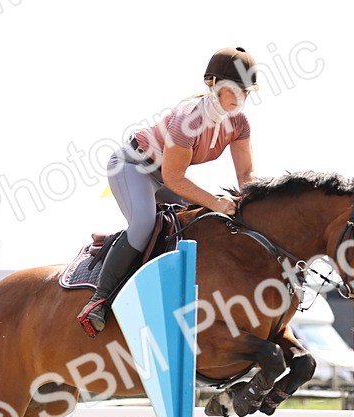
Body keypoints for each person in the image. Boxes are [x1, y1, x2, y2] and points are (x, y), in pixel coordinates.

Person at [77, 46, 259, 335]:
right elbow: (174, 178)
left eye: (247, 91)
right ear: (213, 85)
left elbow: (246, 175)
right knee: (144, 224)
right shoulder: (189, 118)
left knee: (195, 223)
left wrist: (254, 206)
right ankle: (98, 300)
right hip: (132, 166)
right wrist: (216, 201)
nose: (242, 97)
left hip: (162, 178)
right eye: (236, 89)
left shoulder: (239, 123)